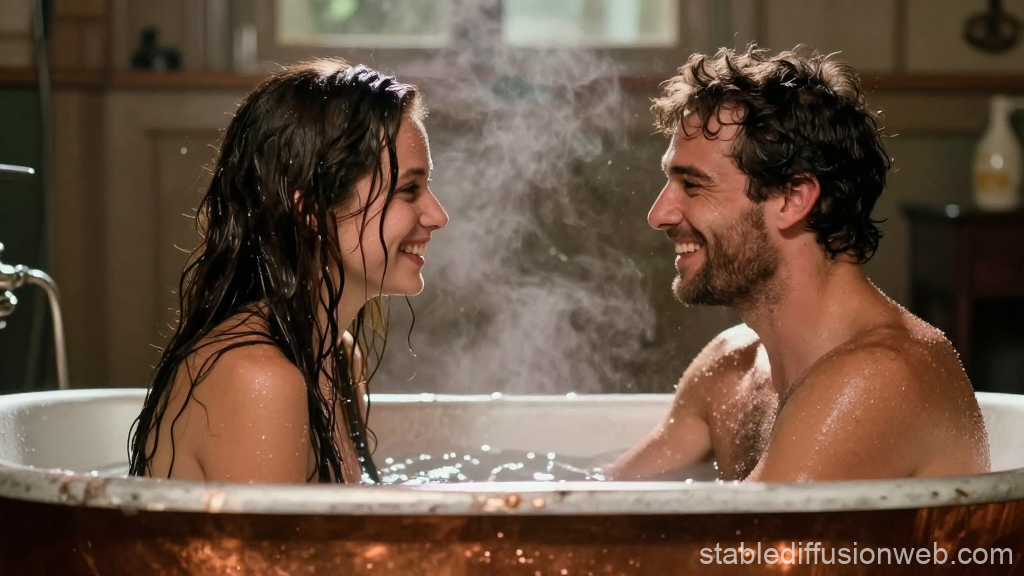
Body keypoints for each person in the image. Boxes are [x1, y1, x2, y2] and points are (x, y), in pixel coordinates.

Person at [605, 44, 990, 483]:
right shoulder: (730, 366)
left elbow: (740, 551)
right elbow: (601, 502)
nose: (659, 215)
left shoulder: (878, 378)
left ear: (793, 199)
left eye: (692, 186)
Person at [128, 59, 449, 484]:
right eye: (409, 188)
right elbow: (281, 554)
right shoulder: (259, 379)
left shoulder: (336, 355)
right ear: (313, 211)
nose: (438, 215)